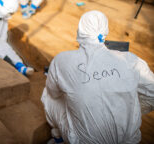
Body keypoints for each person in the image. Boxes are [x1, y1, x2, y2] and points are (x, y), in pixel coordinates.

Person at [41, 10, 154, 144]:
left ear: (80, 31)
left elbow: (53, 92)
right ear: (105, 31)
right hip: (129, 140)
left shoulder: (62, 60)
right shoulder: (131, 60)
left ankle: (59, 136)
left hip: (83, 141)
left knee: (48, 96)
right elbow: (152, 94)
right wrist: (127, 107)